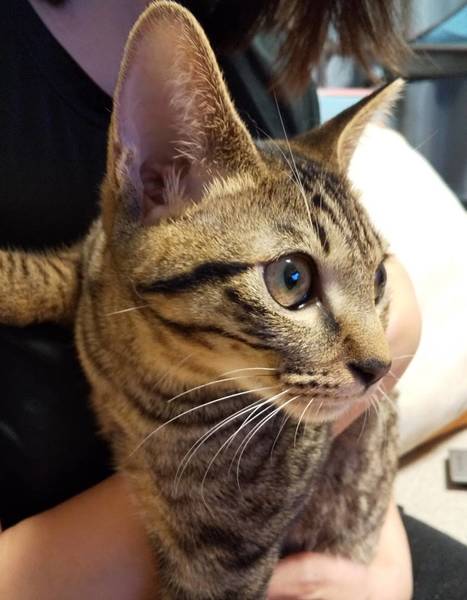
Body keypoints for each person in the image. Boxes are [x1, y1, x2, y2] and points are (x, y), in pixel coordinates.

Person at [0, 1, 465, 599]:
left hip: (319, 540)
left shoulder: (261, 46)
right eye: (292, 280)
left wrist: (382, 556)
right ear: (156, 178)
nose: (372, 357)